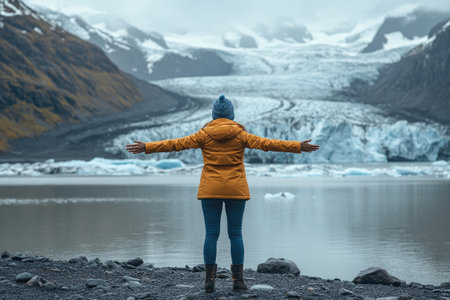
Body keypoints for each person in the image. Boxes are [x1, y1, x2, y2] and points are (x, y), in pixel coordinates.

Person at [126, 95, 320, 293]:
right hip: (236, 189)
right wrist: (298, 146)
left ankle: (209, 281)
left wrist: (147, 147)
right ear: (231, 115)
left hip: (210, 189)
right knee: (235, 234)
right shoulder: (241, 134)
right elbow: (267, 144)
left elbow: (176, 144)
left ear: (214, 115)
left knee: (211, 235)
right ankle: (238, 281)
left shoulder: (203, 134)